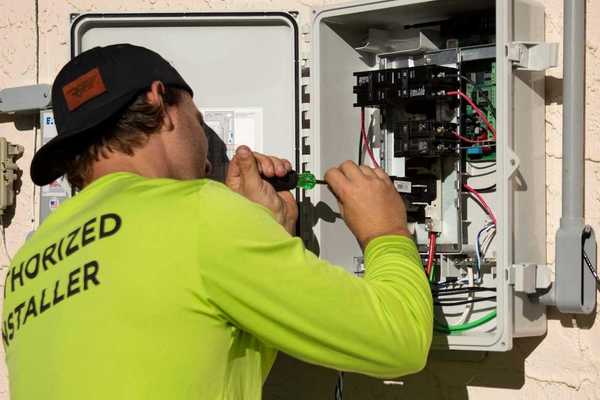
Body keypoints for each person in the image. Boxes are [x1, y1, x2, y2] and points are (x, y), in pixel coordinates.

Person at [2, 44, 432, 400]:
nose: (210, 156)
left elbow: (210, 365)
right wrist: (386, 230)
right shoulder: (201, 214)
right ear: (160, 102)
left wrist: (266, 230)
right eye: (199, 120)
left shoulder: (25, 267)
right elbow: (401, 340)